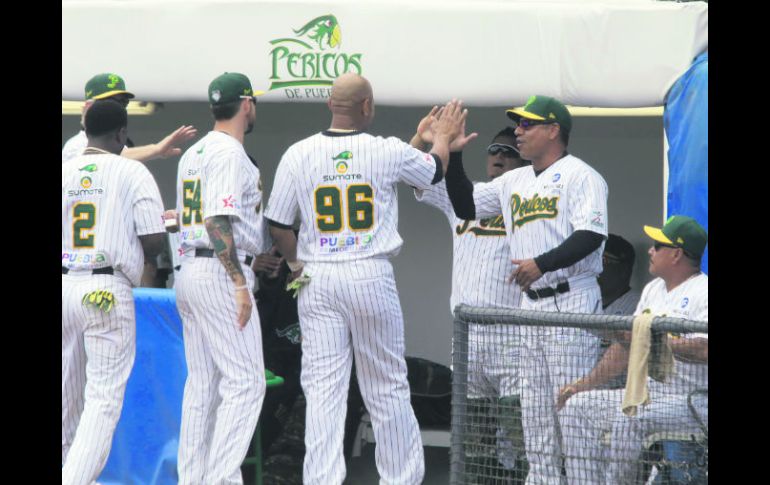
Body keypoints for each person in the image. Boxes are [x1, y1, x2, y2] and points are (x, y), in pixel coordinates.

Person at [263, 72, 467, 484]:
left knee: (322, 388)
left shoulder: (298, 152)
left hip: (317, 275)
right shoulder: (384, 150)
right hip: (369, 273)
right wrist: (440, 138)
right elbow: (432, 172)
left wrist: (297, 266)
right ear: (368, 107)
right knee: (386, 384)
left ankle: (321, 479)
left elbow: (278, 224)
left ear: (330, 106)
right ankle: (401, 478)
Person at [444, 95, 609, 484]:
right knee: (534, 414)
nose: (518, 131)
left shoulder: (582, 175)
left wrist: (542, 264)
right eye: (518, 124)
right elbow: (466, 204)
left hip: (572, 299)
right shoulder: (514, 180)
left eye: (527, 125)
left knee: (572, 409)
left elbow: (590, 234)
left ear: (554, 131)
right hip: (528, 307)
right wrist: (453, 154)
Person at [411, 122, 530, 476]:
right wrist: (426, 138)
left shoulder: (531, 203)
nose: (498, 157)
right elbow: (413, 175)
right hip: (468, 335)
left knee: (519, 434)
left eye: (509, 152)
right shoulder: (466, 195)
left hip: (514, 332)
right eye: (494, 150)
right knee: (473, 438)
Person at [557, 216, 708, 484]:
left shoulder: (703, 291)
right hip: (650, 394)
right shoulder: (653, 289)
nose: (650, 250)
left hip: (692, 399)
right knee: (576, 406)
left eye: (657, 245)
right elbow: (626, 350)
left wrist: (652, 340)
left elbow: (704, 349)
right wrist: (583, 385)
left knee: (630, 415)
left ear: (676, 254)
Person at [62, 99, 166, 483]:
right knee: (103, 399)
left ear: (86, 131)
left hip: (66, 281)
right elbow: (152, 241)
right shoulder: (131, 170)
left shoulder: (64, 170)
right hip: (105, 286)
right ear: (122, 133)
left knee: (66, 396)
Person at [174, 72, 268, 485]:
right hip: (218, 270)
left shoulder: (192, 152)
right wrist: (239, 283)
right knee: (247, 383)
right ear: (246, 104)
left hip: (190, 269)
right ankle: (219, 479)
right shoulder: (229, 152)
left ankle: (193, 478)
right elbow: (216, 219)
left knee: (203, 385)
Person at [62, 72, 197, 163]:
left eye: (122, 103)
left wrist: (157, 151)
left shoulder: (118, 143)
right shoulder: (75, 145)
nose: (117, 108)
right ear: (89, 106)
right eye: (110, 102)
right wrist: (156, 149)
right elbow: (102, 159)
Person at [599, 234, 641, 316]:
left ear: (624, 270)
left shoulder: (639, 306)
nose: (595, 268)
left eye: (603, 260)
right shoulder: (585, 299)